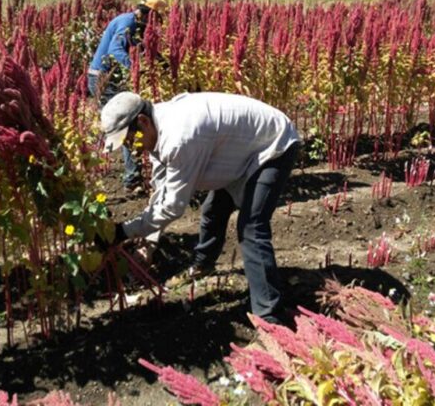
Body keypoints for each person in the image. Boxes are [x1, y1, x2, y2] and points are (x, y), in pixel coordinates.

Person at [100, 91, 301, 325]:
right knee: (213, 210)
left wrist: (123, 232)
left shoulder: (180, 136)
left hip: (273, 145)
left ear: (142, 122)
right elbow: (161, 191)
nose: (130, 148)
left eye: (128, 139)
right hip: (237, 150)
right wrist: (150, 241)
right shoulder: (157, 127)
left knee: (251, 229)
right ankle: (203, 265)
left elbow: (173, 206)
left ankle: (270, 317)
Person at [88, 0, 168, 193]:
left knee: (118, 127)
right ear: (148, 13)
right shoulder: (128, 22)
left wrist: (162, 61)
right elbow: (116, 50)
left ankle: (99, 167)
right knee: (126, 126)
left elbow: (142, 47)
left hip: (111, 78)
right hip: (104, 79)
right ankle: (130, 179)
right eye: (156, 19)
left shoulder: (137, 26)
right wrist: (136, 69)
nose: (156, 24)